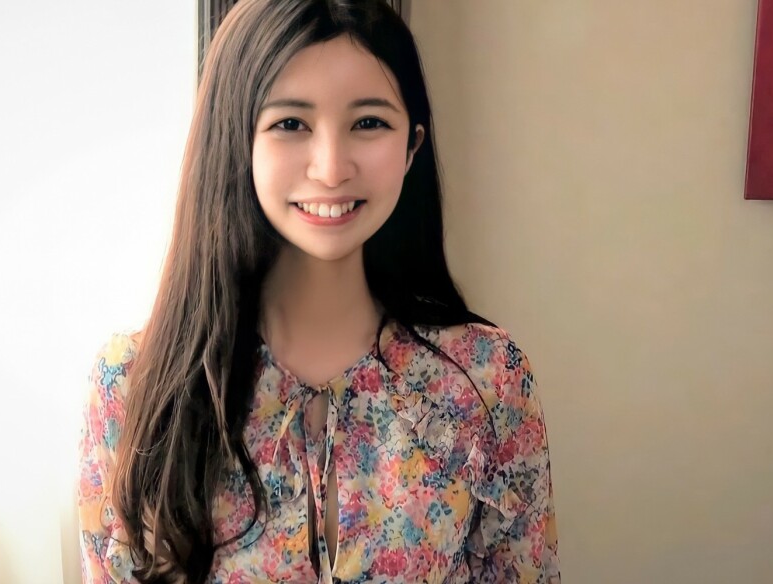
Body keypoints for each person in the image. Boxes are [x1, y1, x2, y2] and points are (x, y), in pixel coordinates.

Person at [77, 0, 560, 582]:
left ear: (412, 146)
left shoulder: (487, 378)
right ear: (236, 140)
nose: (331, 168)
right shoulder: (132, 384)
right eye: (290, 124)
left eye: (369, 123)